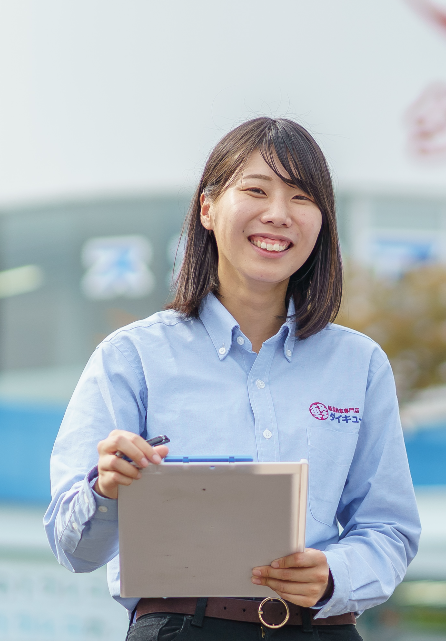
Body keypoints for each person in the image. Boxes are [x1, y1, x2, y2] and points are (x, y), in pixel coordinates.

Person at [45, 117, 420, 639]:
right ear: (207, 208)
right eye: (256, 191)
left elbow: (389, 528)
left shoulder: (358, 364)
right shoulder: (132, 357)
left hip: (319, 627)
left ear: (322, 223)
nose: (278, 214)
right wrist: (106, 489)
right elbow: (73, 548)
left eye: (301, 198)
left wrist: (336, 573)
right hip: (182, 627)